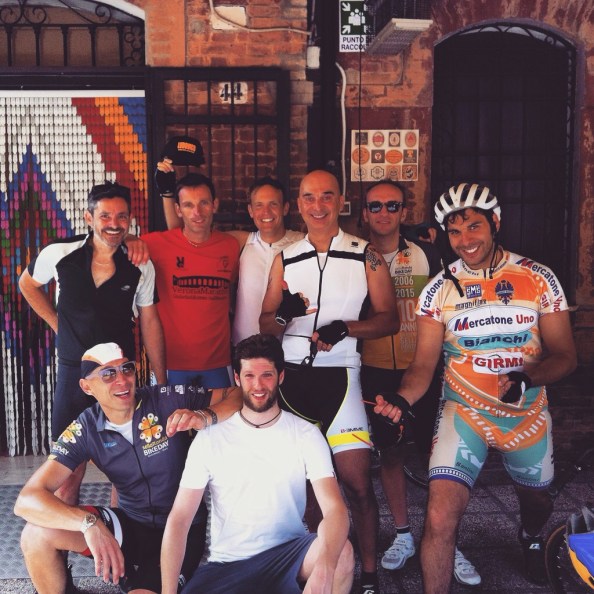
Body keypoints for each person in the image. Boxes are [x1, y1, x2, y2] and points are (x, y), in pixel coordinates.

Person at [371, 183, 577, 592]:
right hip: (464, 414)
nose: (464, 240)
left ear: (495, 223)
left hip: (525, 417)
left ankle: (531, 536)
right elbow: (422, 366)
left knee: (537, 501)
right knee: (439, 515)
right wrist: (401, 399)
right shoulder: (439, 289)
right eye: (454, 231)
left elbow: (566, 356)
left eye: (474, 227)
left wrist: (527, 378)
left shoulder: (538, 277)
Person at [260, 169, 399, 594]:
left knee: (357, 485)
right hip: (292, 380)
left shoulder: (365, 254)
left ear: (341, 201)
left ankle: (369, 576)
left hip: (341, 378)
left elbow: (389, 319)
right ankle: (317, 572)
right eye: (308, 197)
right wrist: (283, 314)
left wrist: (346, 328)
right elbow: (266, 325)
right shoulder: (285, 257)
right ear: (299, 204)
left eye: (326, 196)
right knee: (305, 491)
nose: (317, 205)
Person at [14, 342, 242, 594]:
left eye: (127, 369)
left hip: (182, 530)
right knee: (35, 535)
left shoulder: (167, 398)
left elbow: (236, 394)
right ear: (87, 387)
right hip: (130, 526)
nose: (122, 380)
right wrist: (89, 524)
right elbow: (26, 501)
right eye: (108, 374)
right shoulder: (85, 427)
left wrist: (204, 416)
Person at [161, 333, 354, 594]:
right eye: (249, 376)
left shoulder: (306, 434)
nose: (258, 385)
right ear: (237, 379)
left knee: (341, 552)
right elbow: (180, 519)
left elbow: (335, 510)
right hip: (227, 566)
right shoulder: (209, 438)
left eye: (267, 375)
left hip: (288, 556)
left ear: (281, 376)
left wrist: (325, 569)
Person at [361, 180, 480, 586]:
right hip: (376, 369)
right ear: (365, 212)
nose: (384, 212)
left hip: (425, 368)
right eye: (376, 206)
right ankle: (403, 534)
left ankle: (444, 538)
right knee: (390, 453)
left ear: (404, 211)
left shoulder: (428, 252)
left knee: (440, 459)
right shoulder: (356, 256)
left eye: (392, 205)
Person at [18, 181, 166, 504]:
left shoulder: (140, 265)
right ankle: (68, 534)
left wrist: (161, 380)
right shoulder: (60, 253)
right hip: (74, 377)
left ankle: (122, 532)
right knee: (67, 475)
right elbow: (27, 284)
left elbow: (150, 322)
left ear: (130, 219)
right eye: (105, 216)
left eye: (122, 216)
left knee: (126, 471)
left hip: (120, 377)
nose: (114, 224)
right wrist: (58, 325)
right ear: (89, 217)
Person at [142, 172, 240, 388]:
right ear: (178, 210)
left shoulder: (230, 246)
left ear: (214, 205)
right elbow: (118, 243)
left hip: (218, 362)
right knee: (171, 413)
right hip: (171, 363)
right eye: (188, 205)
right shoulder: (156, 244)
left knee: (223, 411)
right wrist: (131, 240)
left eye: (204, 203)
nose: (197, 212)